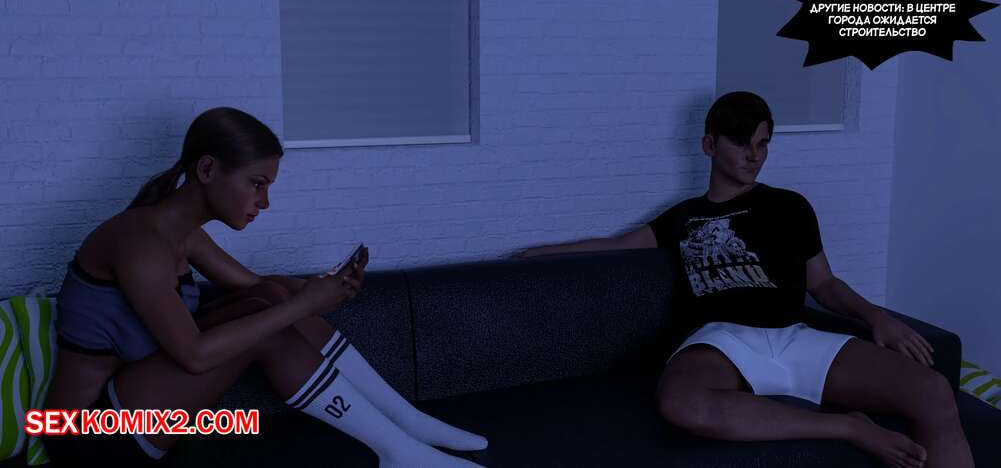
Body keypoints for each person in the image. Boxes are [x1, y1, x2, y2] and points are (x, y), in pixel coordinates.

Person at [515, 92, 973, 468]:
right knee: (681, 402)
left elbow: (824, 285)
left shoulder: (790, 206)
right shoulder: (683, 217)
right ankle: (850, 427)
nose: (754, 156)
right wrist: (536, 255)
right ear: (709, 145)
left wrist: (876, 317)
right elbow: (616, 246)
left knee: (932, 392)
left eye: (763, 144)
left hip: (794, 336)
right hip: (722, 340)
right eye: (741, 143)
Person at [43, 107, 487, 467]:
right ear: (207, 169)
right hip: (86, 436)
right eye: (256, 184)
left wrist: (325, 288)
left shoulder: (183, 233)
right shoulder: (140, 243)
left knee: (270, 297)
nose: (265, 202)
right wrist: (304, 303)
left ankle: (406, 421)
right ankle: (398, 451)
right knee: (270, 325)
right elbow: (194, 355)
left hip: (136, 398)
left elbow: (259, 287)